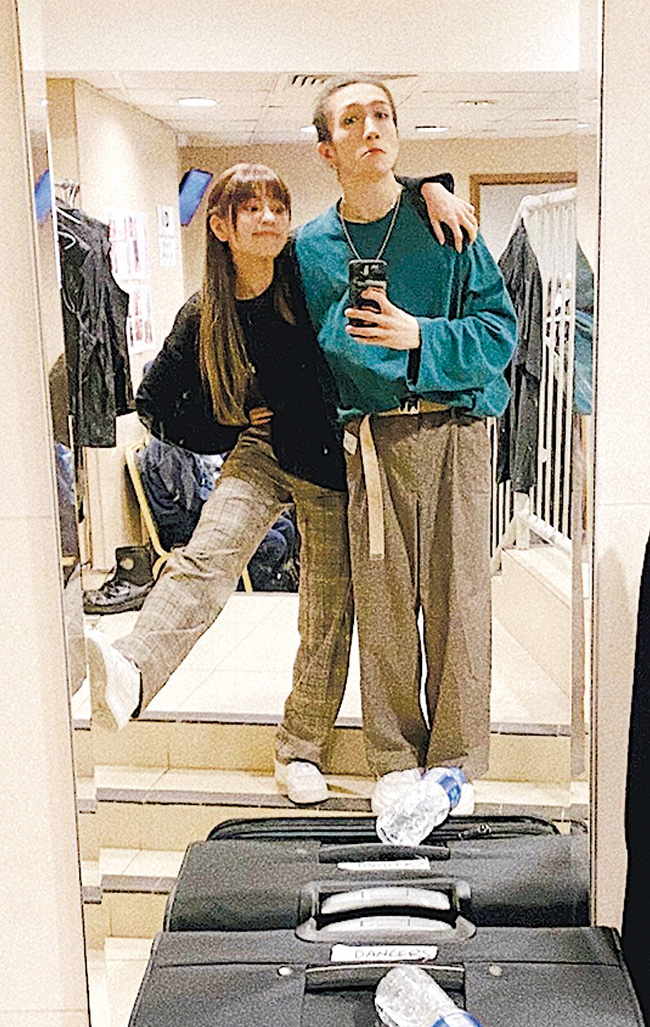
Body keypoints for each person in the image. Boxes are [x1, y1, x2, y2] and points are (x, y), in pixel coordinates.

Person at [86, 161, 475, 806]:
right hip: (264, 450)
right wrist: (228, 422)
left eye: (277, 206)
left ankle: (300, 750)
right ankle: (133, 668)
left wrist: (431, 186)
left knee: (325, 614)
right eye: (251, 208)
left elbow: (369, 203)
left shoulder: (307, 269)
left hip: (330, 460)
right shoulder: (205, 313)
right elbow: (152, 403)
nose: (268, 218)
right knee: (205, 559)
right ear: (221, 226)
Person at [293, 77, 518, 814]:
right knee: (384, 602)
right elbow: (326, 348)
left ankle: (455, 761)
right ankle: (392, 756)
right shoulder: (313, 247)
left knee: (461, 599)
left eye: (382, 115)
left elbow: (499, 333)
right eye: (351, 120)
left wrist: (419, 334)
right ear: (327, 149)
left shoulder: (447, 225)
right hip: (371, 438)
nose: (371, 129)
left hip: (455, 430)